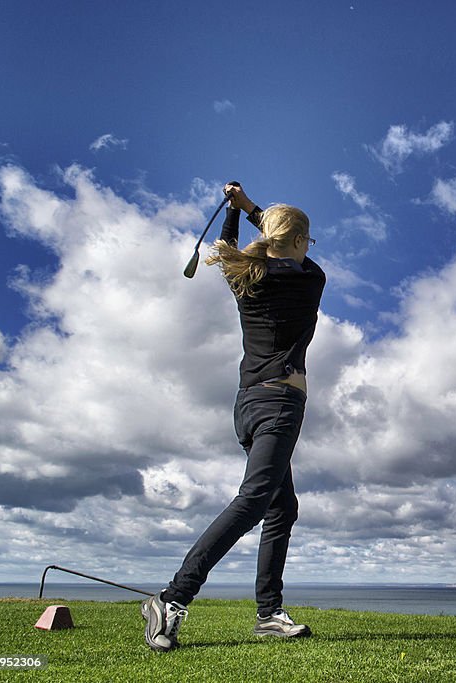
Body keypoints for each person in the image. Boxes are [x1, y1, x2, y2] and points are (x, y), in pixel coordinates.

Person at [142, 182, 326, 652]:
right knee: (254, 502)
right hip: (280, 404)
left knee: (283, 507)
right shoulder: (309, 278)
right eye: (306, 241)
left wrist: (237, 211)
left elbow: (228, 250)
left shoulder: (246, 276)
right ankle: (173, 598)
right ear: (301, 242)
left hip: (246, 407)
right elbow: (278, 246)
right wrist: (251, 209)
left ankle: (269, 614)